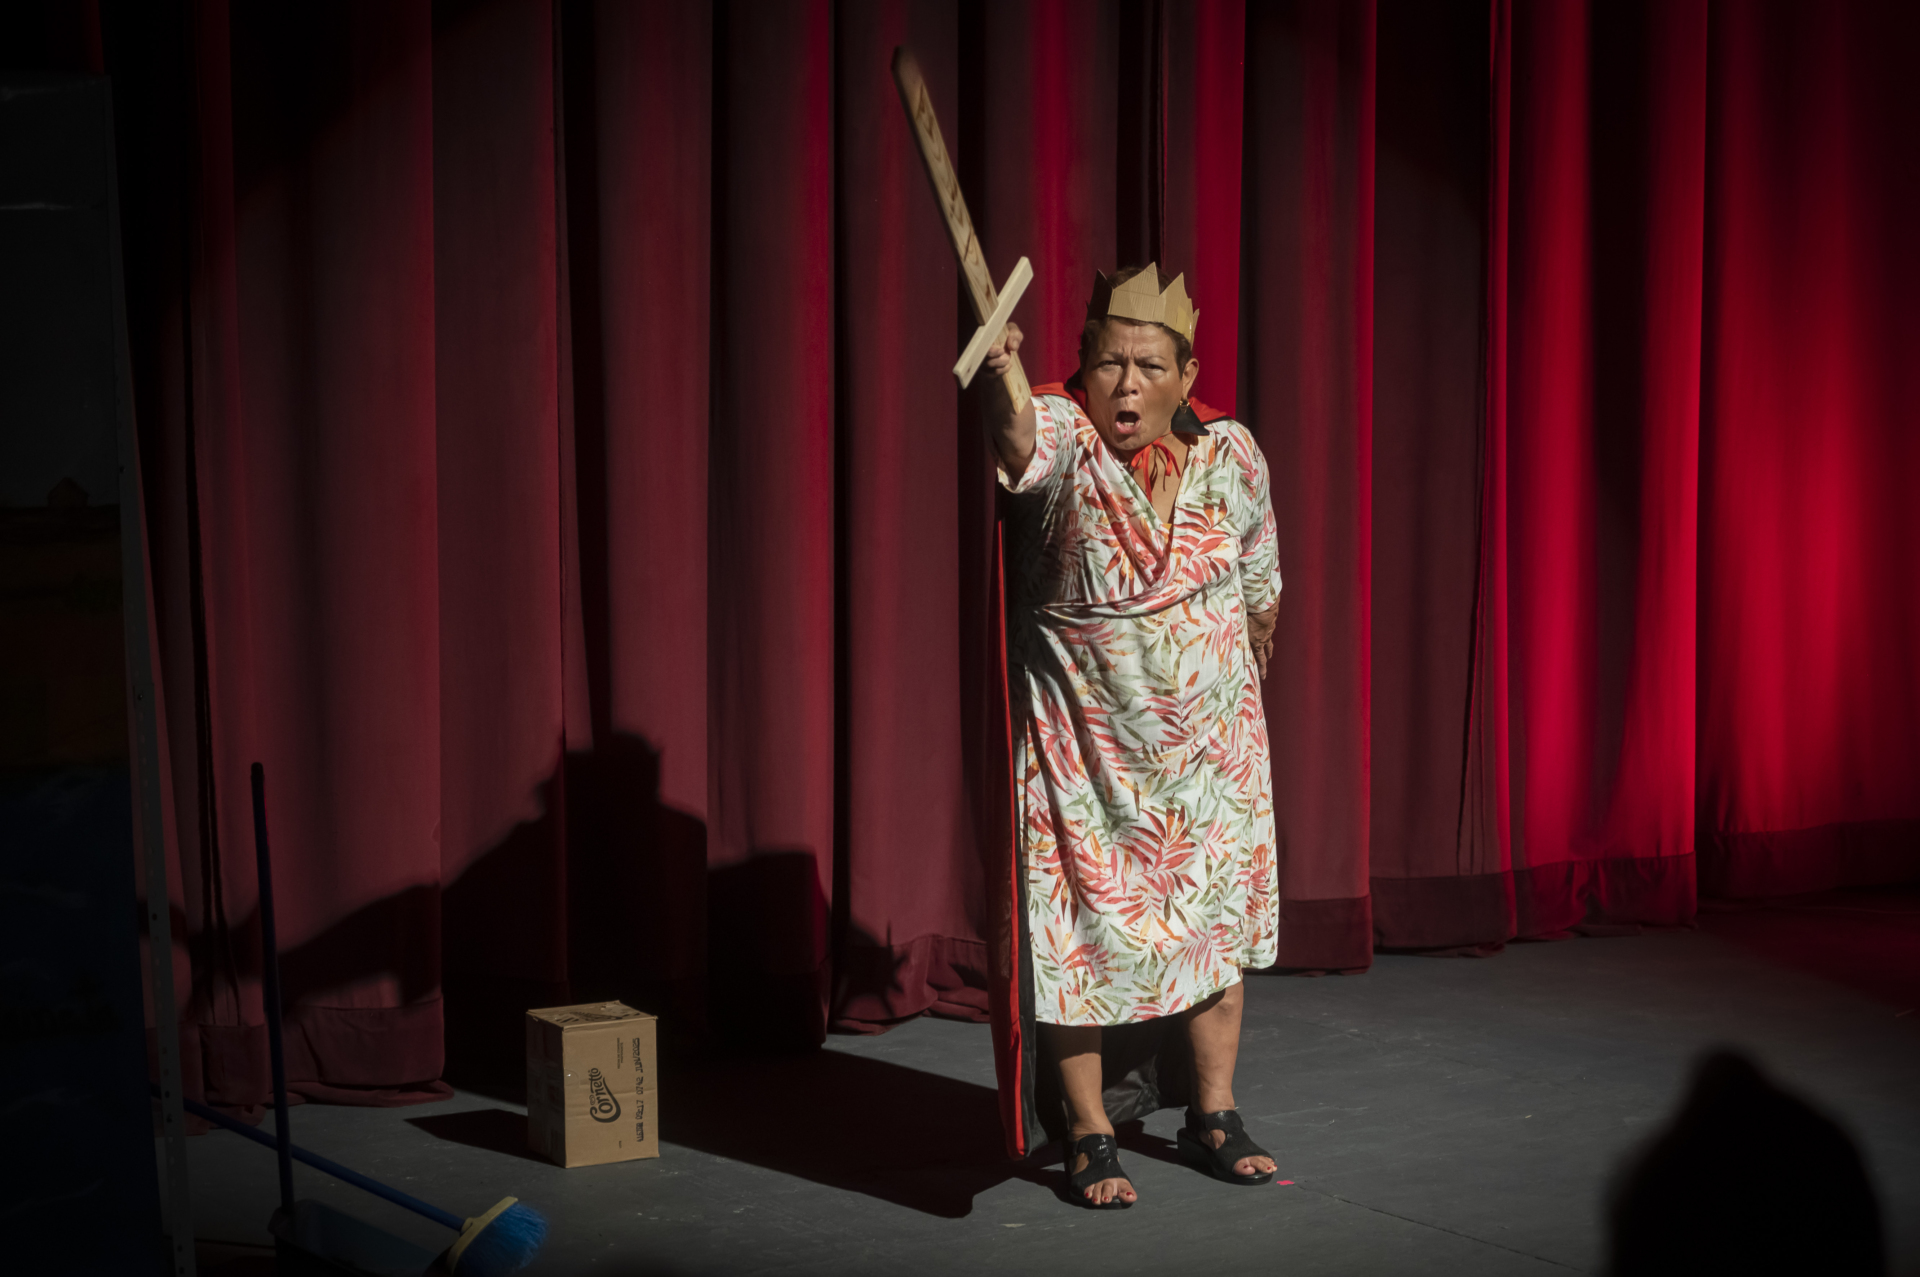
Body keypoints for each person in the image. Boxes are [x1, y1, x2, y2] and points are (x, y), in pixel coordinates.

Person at [981, 264, 1281, 1209]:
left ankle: (1215, 1113)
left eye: (1149, 365)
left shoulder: (1232, 457)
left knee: (1216, 935)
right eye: (1108, 362)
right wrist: (1003, 373)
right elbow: (1019, 441)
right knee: (1079, 945)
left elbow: (1261, 589)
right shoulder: (1067, 435)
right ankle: (1089, 1129)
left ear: (1186, 377)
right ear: (1083, 367)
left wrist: (1234, 681)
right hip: (1087, 756)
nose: (1125, 384)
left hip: (1210, 760)